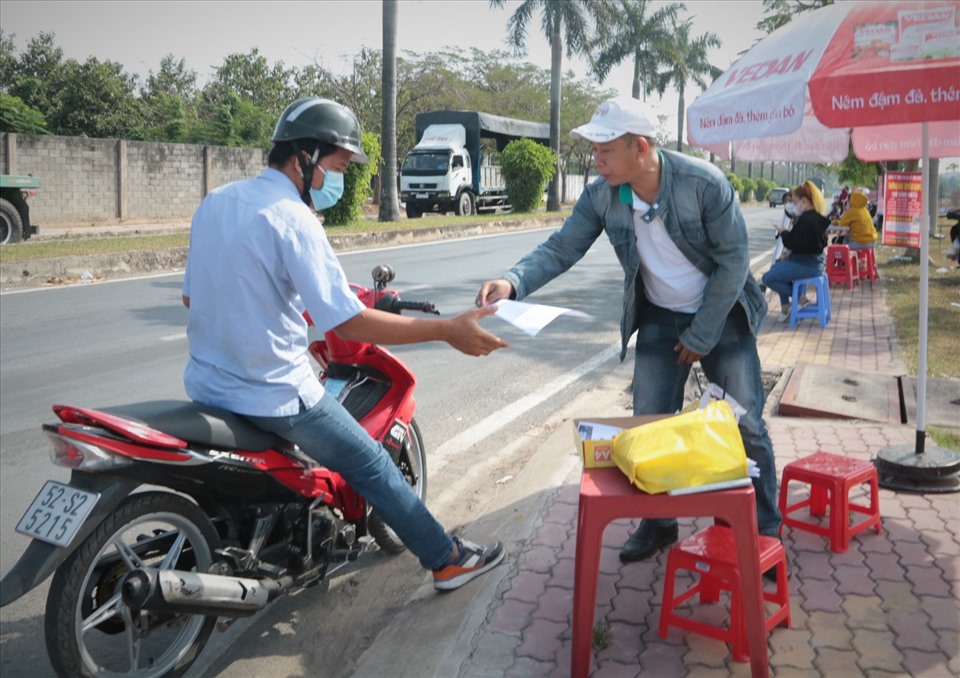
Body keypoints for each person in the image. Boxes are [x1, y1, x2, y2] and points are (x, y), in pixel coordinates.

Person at [182, 97, 507, 591]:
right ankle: (447, 558)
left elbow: (194, 296)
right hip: (275, 396)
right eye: (333, 167)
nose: (334, 180)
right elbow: (350, 323)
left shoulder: (216, 201)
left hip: (207, 387)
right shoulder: (294, 218)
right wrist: (446, 329)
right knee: (371, 464)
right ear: (303, 157)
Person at [475, 96, 782, 567]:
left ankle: (762, 532)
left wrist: (702, 334)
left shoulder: (704, 183)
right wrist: (513, 281)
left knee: (746, 423)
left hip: (722, 313)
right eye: (594, 150)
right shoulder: (605, 193)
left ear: (640, 147)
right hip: (659, 317)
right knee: (649, 426)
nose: (595, 161)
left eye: (604, 150)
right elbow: (562, 247)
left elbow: (734, 262)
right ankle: (659, 525)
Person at [761, 181, 830, 322]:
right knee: (777, 267)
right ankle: (786, 307)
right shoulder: (815, 217)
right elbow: (810, 243)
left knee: (768, 278)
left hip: (806, 264)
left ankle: (800, 298)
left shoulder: (806, 220)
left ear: (804, 201)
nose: (792, 204)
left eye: (794, 201)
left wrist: (783, 233)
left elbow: (793, 242)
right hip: (814, 261)